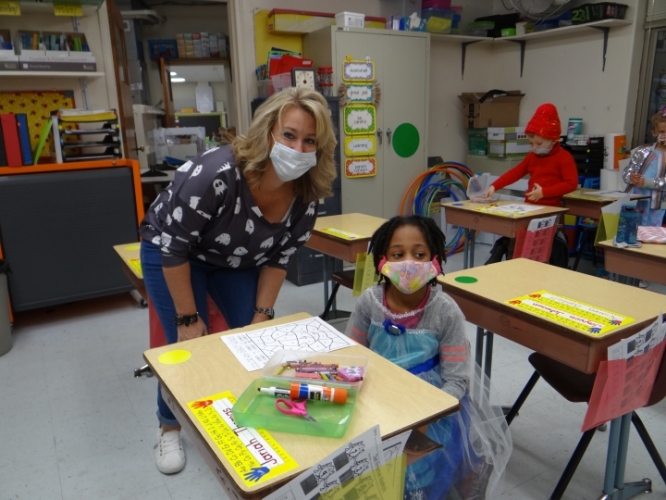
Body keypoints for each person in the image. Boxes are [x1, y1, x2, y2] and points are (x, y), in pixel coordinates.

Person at [139, 87, 337, 474]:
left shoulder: (307, 196)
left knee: (255, 338)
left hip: (238, 258)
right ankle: (168, 428)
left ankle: (257, 411)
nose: (298, 148)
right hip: (175, 252)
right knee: (187, 347)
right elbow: (174, 248)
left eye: (309, 140)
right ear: (268, 132)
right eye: (290, 135)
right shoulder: (215, 173)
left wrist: (262, 314)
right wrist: (186, 319)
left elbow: (280, 258)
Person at [345, 216, 511, 499]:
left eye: (419, 254)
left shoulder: (445, 311)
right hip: (378, 399)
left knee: (416, 475)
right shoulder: (369, 303)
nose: (409, 263)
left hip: (432, 408)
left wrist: (422, 420)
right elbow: (353, 356)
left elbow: (457, 380)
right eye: (398, 254)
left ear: (435, 260)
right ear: (382, 261)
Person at [483, 103, 578, 264]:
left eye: (539, 144)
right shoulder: (532, 157)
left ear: (553, 139)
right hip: (529, 210)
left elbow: (571, 183)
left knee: (539, 251)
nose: (534, 148)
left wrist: (544, 192)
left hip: (550, 212)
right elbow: (515, 173)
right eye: (531, 144)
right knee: (517, 244)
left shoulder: (564, 158)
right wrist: (494, 185)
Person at [622, 107, 666, 287]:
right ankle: (625, 270)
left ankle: (645, 275)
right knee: (629, 233)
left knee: (650, 237)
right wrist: (631, 177)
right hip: (636, 201)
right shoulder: (643, 151)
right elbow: (626, 173)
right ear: (654, 132)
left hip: (658, 206)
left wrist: (646, 182)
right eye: (662, 131)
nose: (665, 135)